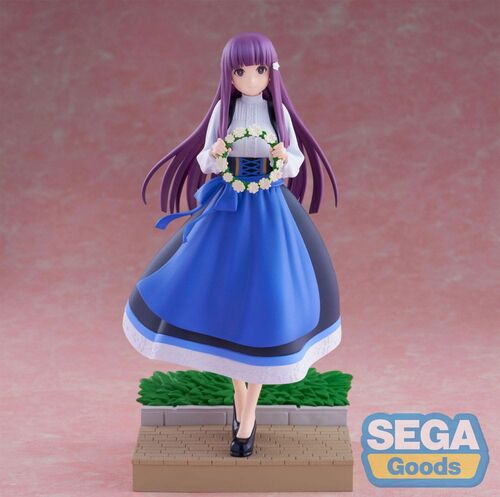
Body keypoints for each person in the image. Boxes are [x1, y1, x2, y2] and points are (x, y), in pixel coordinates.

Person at [122, 32, 342, 457]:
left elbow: (295, 161)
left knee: (268, 300)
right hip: (228, 209)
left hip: (270, 212)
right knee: (218, 292)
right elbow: (205, 158)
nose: (251, 79)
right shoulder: (224, 112)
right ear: (229, 74)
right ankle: (240, 401)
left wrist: (281, 159)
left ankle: (248, 414)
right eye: (241, 71)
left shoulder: (278, 115)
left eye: (259, 70)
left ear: (271, 72)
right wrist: (220, 152)